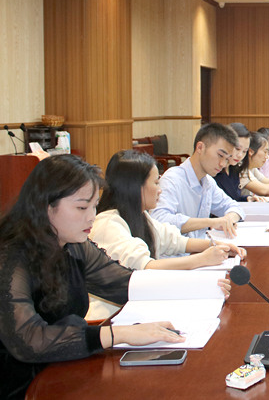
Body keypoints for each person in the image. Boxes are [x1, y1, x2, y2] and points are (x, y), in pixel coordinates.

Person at [0, 155, 198, 399]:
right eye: (82, 207)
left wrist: (201, 288)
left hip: (64, 367)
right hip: (21, 385)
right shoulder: (10, 256)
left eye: (94, 206)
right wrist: (118, 334)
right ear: (46, 206)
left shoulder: (73, 244)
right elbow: (29, 340)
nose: (91, 217)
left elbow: (125, 284)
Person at [88, 150, 245, 319]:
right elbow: (145, 268)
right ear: (135, 186)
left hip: (140, 306)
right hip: (110, 318)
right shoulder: (108, 223)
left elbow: (172, 240)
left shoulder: (140, 215)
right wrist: (202, 259)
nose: (160, 190)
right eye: (156, 182)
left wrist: (213, 246)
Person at [151, 123, 244, 239]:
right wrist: (210, 222)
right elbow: (159, 220)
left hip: (201, 248)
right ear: (200, 147)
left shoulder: (208, 182)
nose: (223, 164)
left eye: (227, 159)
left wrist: (228, 219)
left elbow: (234, 207)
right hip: (178, 250)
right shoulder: (173, 179)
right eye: (220, 155)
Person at [212, 122, 252, 202]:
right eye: (237, 149)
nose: (240, 155)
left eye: (244, 151)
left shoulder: (233, 169)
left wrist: (247, 198)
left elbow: (234, 198)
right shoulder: (214, 170)